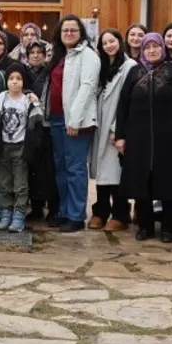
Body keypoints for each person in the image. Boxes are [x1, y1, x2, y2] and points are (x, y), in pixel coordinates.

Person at [116, 33, 172, 241]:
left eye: (156, 46)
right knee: (141, 182)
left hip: (170, 138)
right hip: (138, 138)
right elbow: (123, 105)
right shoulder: (134, 72)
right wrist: (120, 136)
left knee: (169, 182)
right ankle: (145, 226)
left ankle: (168, 227)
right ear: (142, 50)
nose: (152, 50)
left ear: (163, 48)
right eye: (147, 47)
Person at [48, 14, 101, 232]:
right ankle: (64, 211)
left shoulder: (88, 56)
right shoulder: (59, 55)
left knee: (75, 168)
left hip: (76, 122)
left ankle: (76, 215)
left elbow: (87, 88)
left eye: (73, 30)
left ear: (81, 33)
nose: (69, 33)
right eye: (65, 30)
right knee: (61, 168)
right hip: (56, 118)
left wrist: (74, 120)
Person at [90, 29, 136, 231]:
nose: (109, 45)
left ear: (120, 42)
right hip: (99, 126)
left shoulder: (129, 66)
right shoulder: (101, 66)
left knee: (116, 172)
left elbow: (128, 100)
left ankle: (120, 214)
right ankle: (100, 211)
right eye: (105, 43)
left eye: (112, 41)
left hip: (116, 126)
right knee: (102, 172)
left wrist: (117, 130)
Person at [0, 68, 44, 233]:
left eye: (18, 78)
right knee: (4, 183)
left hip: (21, 146)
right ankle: (6, 213)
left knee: (20, 184)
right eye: (11, 78)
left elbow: (38, 122)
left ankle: (19, 214)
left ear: (24, 82)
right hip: (3, 146)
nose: (14, 81)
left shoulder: (28, 101)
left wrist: (33, 145)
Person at [24, 41, 59, 222]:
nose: (36, 55)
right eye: (32, 52)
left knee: (48, 168)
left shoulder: (49, 72)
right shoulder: (24, 73)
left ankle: (53, 208)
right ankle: (36, 207)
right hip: (29, 125)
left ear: (45, 56)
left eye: (39, 52)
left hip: (47, 124)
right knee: (32, 167)